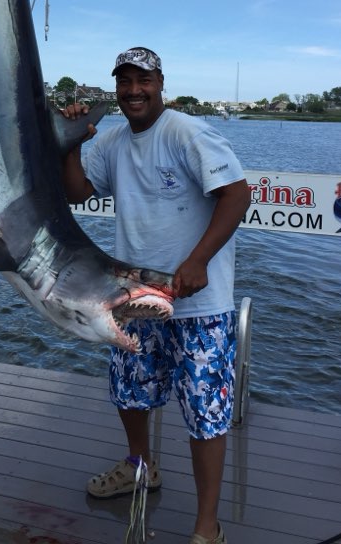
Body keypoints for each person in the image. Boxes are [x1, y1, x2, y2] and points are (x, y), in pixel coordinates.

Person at [61, 46, 251, 544]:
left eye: (142, 80)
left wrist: (198, 260)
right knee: (130, 391)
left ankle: (207, 525)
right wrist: (71, 142)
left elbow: (238, 193)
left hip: (199, 306)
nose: (133, 91)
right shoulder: (116, 142)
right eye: (124, 82)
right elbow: (78, 193)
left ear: (160, 81)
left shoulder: (186, 132)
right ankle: (140, 465)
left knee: (205, 411)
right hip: (136, 297)